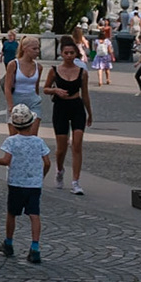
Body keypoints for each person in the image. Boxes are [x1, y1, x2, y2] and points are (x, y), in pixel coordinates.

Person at [0, 104, 52, 263]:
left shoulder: (11, 141)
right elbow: (47, 162)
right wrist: (41, 176)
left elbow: (6, 160)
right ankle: (35, 248)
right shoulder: (38, 141)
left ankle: (9, 243)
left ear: (13, 125)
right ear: (32, 122)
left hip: (16, 183)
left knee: (12, 213)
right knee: (34, 215)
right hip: (34, 184)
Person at [42, 39, 92, 195]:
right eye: (66, 53)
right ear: (61, 54)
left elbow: (85, 93)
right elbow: (45, 89)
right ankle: (60, 169)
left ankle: (76, 181)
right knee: (61, 148)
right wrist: (55, 91)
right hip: (60, 108)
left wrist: (89, 113)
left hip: (76, 107)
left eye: (72, 53)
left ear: (76, 54)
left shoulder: (82, 72)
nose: (69, 56)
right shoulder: (54, 70)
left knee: (77, 145)